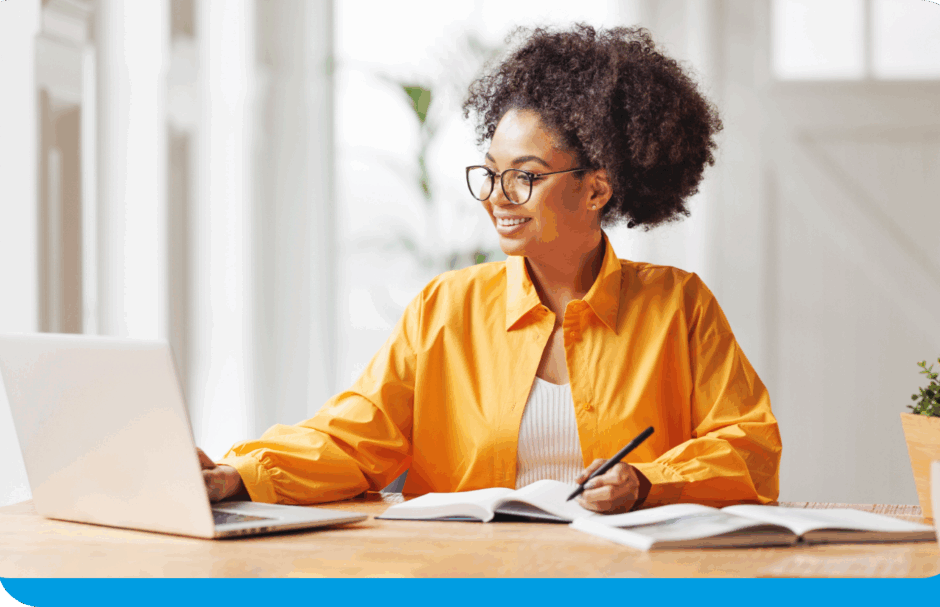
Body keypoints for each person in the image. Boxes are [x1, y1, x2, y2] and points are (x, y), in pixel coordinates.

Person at [199, 24, 781, 515]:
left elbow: (748, 447)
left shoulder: (679, 305)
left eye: (524, 176)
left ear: (597, 188)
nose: (497, 197)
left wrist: (649, 483)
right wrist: (238, 473)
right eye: (490, 172)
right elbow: (352, 440)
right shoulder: (445, 308)